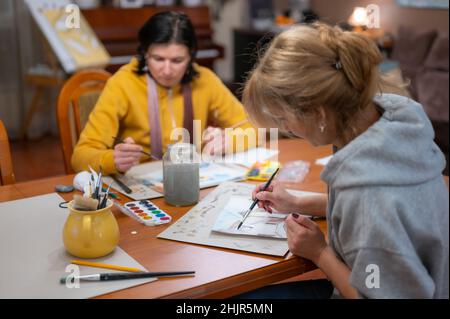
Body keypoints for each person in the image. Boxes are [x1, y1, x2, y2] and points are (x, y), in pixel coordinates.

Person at [238, 22, 449, 299]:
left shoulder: (368, 197)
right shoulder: (390, 124)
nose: (286, 129)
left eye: (283, 119)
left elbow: (376, 292)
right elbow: (377, 220)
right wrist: (298, 203)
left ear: (319, 114)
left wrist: (320, 252)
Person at [71, 11, 256, 175]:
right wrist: (112, 159)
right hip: (140, 181)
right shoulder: (122, 83)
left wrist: (230, 140)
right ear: (145, 53)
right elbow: (80, 156)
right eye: (158, 59)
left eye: (177, 60)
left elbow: (255, 127)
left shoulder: (205, 80)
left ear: (191, 56)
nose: (167, 71)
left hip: (195, 178)